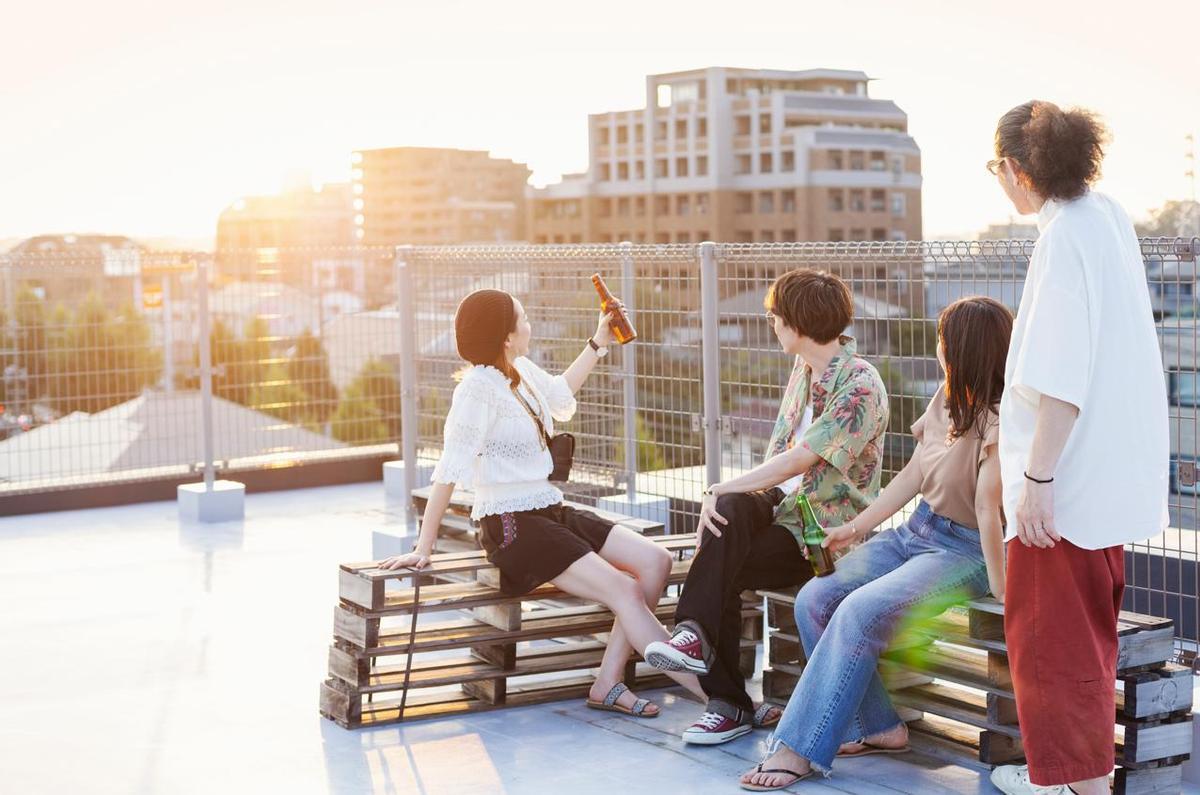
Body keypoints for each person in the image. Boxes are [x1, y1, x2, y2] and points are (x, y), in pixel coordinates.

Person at [379, 288, 706, 716]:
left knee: (655, 561)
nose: (530, 325)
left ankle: (608, 682)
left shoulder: (521, 370)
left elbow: (560, 396)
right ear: (506, 336)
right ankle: (718, 698)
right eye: (524, 319)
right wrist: (424, 546)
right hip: (510, 523)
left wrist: (598, 341)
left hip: (548, 508)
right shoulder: (476, 390)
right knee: (625, 589)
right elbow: (448, 470)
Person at [739, 296, 1012, 791]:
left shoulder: (1000, 421)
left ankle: (798, 748)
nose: (937, 347)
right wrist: (857, 527)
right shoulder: (948, 397)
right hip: (917, 530)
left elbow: (989, 511)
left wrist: (1001, 587)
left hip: (964, 550)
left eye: (943, 339)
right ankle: (879, 727)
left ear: (963, 349)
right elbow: (914, 474)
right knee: (816, 599)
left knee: (857, 612)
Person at [985, 102, 1169, 795]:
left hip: (1064, 487)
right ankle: (1067, 781)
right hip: (1106, 480)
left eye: (996, 169)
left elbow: (1058, 377)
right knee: (1086, 642)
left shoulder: (1061, 238)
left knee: (1050, 650)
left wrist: (1037, 480)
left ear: (1015, 168)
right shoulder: (1107, 217)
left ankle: (1077, 788)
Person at [642, 268, 890, 745]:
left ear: (797, 322)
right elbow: (780, 465)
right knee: (730, 512)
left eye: (775, 316)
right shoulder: (804, 370)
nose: (771, 324)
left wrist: (717, 488)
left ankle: (726, 701)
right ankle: (693, 636)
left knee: (723, 557)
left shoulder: (860, 384)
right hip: (781, 508)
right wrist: (724, 495)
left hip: (820, 532)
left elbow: (800, 459)